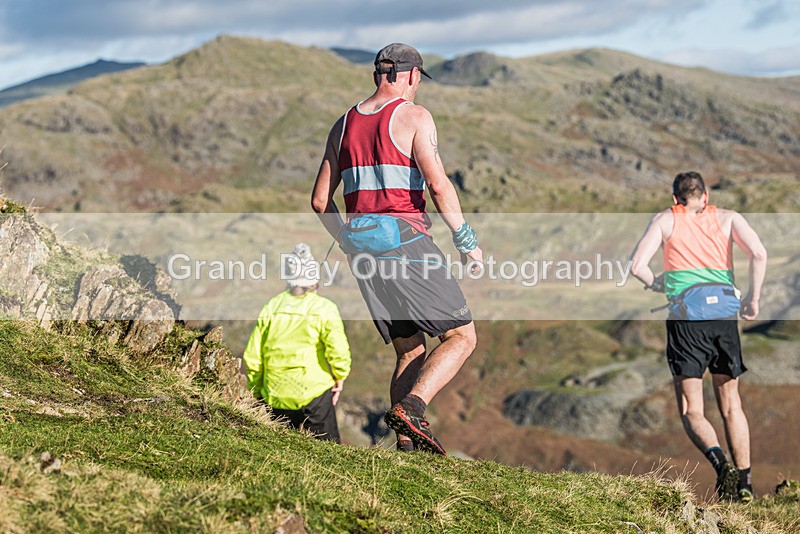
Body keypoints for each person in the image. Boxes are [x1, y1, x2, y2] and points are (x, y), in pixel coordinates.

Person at [311, 43, 482, 455]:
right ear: (409, 75)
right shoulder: (413, 116)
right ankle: (413, 409)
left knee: (410, 350)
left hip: (364, 256)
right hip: (407, 244)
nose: (419, 85)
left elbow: (320, 201)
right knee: (461, 337)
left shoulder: (343, 124)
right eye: (419, 78)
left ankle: (407, 447)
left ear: (377, 75)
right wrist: (466, 242)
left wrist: (350, 241)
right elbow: (439, 185)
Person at [630, 171, 767, 502]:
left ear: (675, 198)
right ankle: (745, 483)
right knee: (731, 404)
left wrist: (658, 283)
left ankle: (722, 467)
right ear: (705, 197)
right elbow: (759, 254)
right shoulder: (729, 218)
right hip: (723, 317)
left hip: (686, 320)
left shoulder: (666, 220)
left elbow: (636, 266)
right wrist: (752, 298)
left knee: (692, 408)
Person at [243, 243, 351, 443]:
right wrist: (340, 376)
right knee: (327, 451)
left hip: (275, 394)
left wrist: (257, 390)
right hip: (315, 392)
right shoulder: (324, 308)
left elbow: (253, 356)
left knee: (279, 451)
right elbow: (338, 349)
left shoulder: (271, 306)